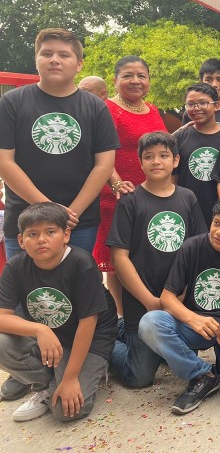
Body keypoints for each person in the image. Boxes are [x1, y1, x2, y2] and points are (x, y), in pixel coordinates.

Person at [0, 30, 118, 405]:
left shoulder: (94, 107)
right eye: (47, 53)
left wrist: (74, 212)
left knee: (74, 294)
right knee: (25, 298)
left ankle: (71, 365)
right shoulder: (13, 102)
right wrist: (47, 211)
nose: (55, 59)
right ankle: (32, 369)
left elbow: (104, 164)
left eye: (64, 54)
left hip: (79, 221)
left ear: (78, 63)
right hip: (25, 219)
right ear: (36, 59)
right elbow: (5, 161)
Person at [138, 194, 220, 415]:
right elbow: (167, 297)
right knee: (149, 323)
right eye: (217, 223)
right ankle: (202, 375)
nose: (219, 232)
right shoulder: (192, 247)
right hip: (196, 324)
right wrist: (193, 318)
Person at [0, 203, 117, 422]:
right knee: (2, 342)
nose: (41, 240)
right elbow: (2, 316)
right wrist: (39, 329)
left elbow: (88, 322)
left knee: (67, 411)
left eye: (50, 232)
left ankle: (96, 367)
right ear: (20, 241)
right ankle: (46, 387)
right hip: (52, 338)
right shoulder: (15, 266)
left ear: (66, 235)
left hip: (91, 338)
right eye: (32, 234)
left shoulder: (81, 262)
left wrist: (71, 378)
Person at [108, 132, 207, 388]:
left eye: (163, 156)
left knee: (173, 360)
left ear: (175, 161)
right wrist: (150, 301)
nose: (156, 161)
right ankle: (107, 340)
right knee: (139, 377)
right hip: (142, 301)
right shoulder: (130, 201)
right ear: (140, 163)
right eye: (149, 157)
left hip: (181, 299)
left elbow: (198, 251)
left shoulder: (187, 198)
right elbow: (120, 257)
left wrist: (181, 295)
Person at [94, 55, 167, 315]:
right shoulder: (108, 109)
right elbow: (100, 151)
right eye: (127, 75)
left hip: (150, 196)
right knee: (118, 259)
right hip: (117, 197)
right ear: (115, 80)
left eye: (141, 76)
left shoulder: (154, 109)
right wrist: (115, 183)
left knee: (144, 253)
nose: (135, 81)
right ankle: (122, 315)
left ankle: (147, 310)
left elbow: (161, 144)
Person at [173, 83, 220, 226]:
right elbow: (173, 178)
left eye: (203, 103)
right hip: (188, 211)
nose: (196, 108)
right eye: (191, 104)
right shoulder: (181, 137)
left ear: (216, 105)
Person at [182, 59, 220, 131]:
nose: (214, 85)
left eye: (219, 79)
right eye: (208, 80)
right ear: (201, 82)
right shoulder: (193, 111)